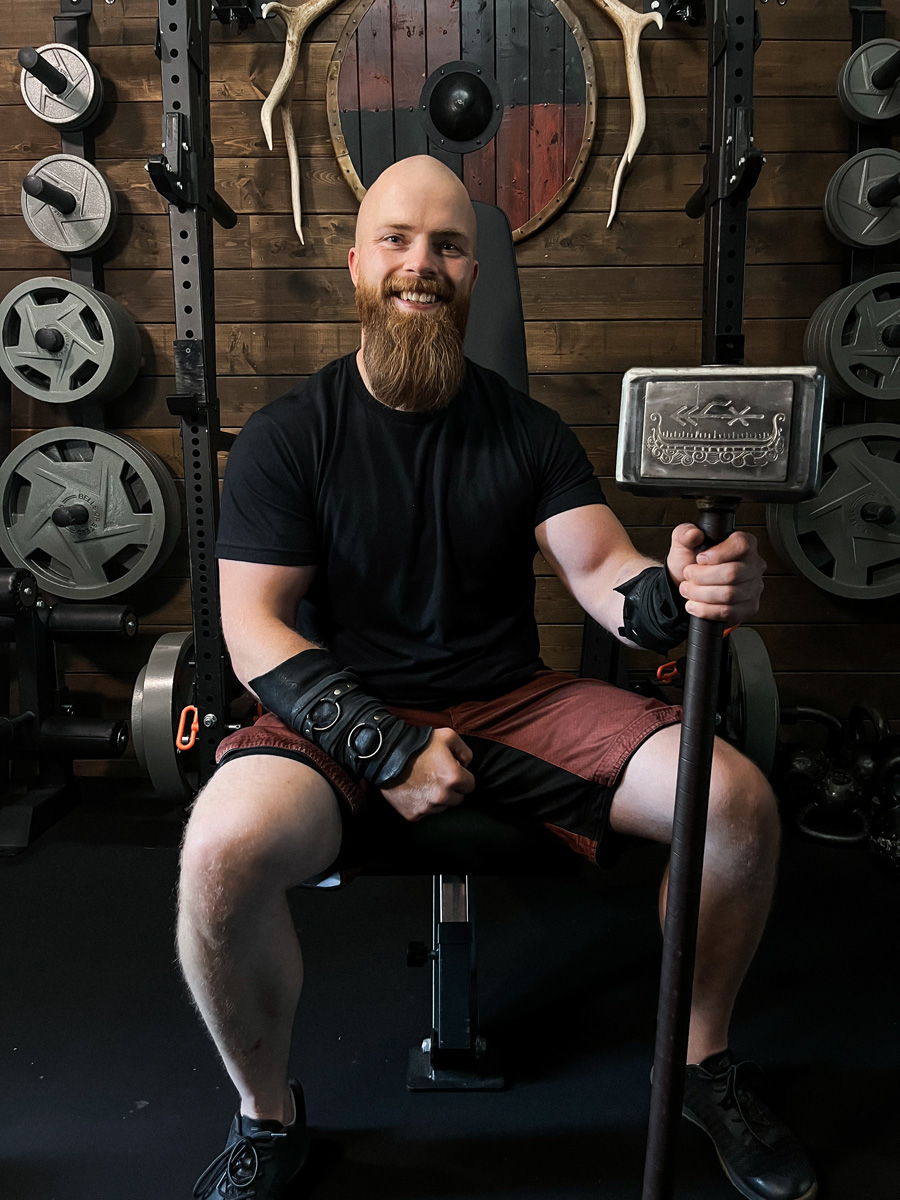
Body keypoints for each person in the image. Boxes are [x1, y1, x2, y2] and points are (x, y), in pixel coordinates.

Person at [179, 155, 816, 1200]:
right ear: (356, 263)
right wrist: (378, 742)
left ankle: (700, 1067)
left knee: (734, 802)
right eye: (396, 239)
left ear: (474, 274)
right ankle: (267, 1118)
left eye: (447, 245)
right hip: (341, 707)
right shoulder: (293, 436)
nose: (419, 264)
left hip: (512, 698)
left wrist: (677, 591)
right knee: (220, 851)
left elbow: (605, 571)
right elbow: (252, 628)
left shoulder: (528, 433)